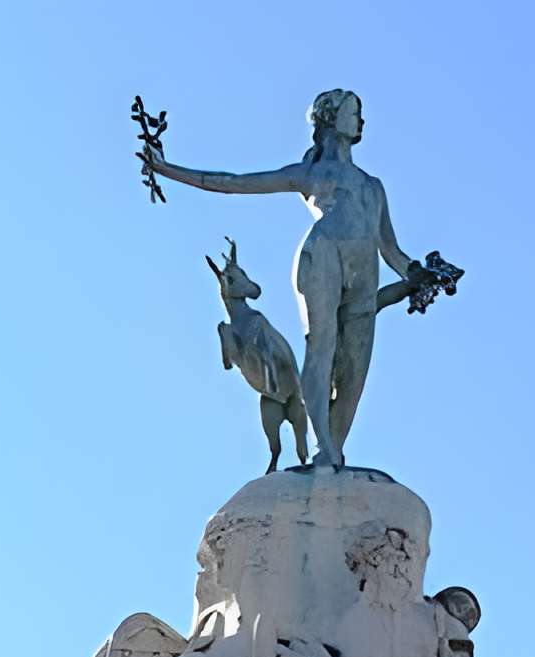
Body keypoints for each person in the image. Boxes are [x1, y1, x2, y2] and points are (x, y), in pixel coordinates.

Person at [146, 90, 434, 468]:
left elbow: (392, 250)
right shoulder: (314, 174)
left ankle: (334, 451)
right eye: (353, 112)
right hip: (324, 257)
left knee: (354, 371)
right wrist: (168, 169)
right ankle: (323, 450)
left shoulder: (373, 186)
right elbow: (237, 182)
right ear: (330, 120)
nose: (361, 121)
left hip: (366, 271)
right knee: (322, 350)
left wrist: (417, 273)